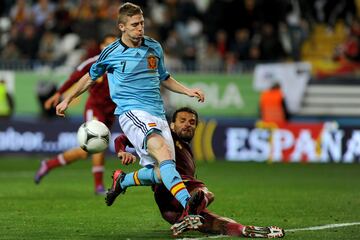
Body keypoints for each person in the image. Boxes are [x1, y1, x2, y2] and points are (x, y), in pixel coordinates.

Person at [55, 2, 205, 233]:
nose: (140, 28)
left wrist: (187, 91)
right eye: (135, 25)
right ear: (122, 27)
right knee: (163, 153)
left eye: (142, 23)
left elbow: (164, 76)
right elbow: (88, 77)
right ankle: (189, 206)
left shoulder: (154, 47)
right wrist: (67, 99)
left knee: (161, 171)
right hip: (131, 112)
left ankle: (122, 181)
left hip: (157, 112)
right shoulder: (111, 52)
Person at [113, 107, 285, 238]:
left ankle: (244, 230)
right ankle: (190, 213)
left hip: (169, 210)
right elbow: (122, 138)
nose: (188, 124)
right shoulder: (163, 136)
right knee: (205, 193)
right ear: (171, 125)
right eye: (182, 120)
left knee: (213, 224)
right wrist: (121, 151)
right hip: (175, 188)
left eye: (192, 122)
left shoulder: (186, 151)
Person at [34, 34, 117, 195]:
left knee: (86, 151)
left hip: (111, 111)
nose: (109, 47)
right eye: (107, 44)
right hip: (95, 107)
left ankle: (49, 164)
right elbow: (75, 77)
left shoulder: (122, 62)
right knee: (98, 140)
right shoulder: (93, 61)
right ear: (101, 46)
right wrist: (59, 93)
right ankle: (98, 187)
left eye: (113, 44)